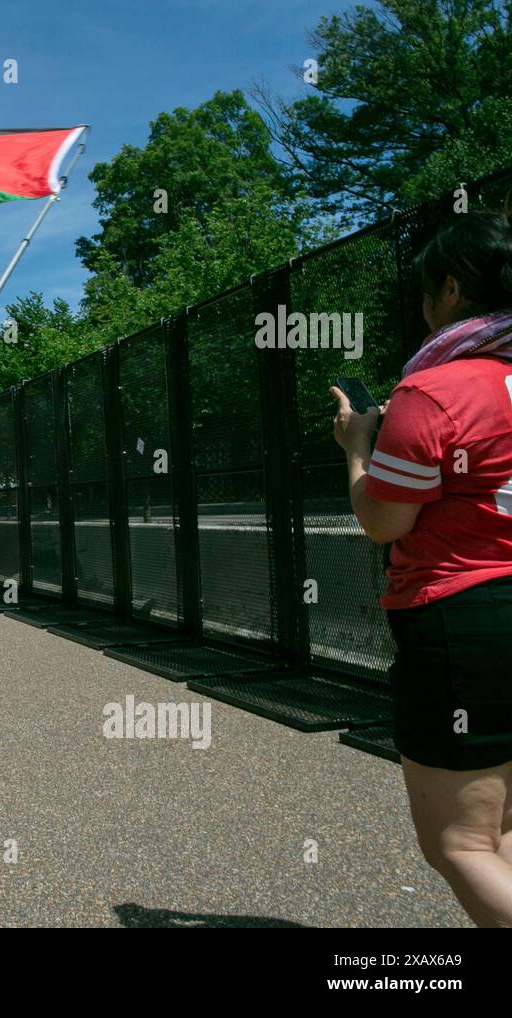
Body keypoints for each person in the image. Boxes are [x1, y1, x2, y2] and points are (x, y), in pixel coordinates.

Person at [332, 210, 512, 926]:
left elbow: (383, 520)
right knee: (500, 829)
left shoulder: (432, 392)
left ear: (450, 290)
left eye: (426, 293)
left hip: (463, 620)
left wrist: (357, 446)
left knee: (459, 843)